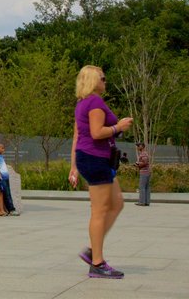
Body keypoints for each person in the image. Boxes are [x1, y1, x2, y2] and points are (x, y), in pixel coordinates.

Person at [68, 65, 133, 279]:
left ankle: (92, 251)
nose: (106, 81)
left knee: (117, 204)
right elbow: (96, 133)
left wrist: (74, 167)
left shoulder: (81, 103)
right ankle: (97, 262)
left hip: (91, 158)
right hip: (95, 158)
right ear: (93, 80)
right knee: (100, 210)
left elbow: (78, 137)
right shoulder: (94, 101)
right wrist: (119, 127)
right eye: (102, 78)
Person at [0, 143, 19, 216]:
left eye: (3, 148)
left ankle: (10, 209)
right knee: (7, 194)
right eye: (2, 148)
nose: (3, 149)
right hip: (2, 178)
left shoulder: (1, 157)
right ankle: (11, 209)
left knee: (8, 193)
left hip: (6, 177)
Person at [134, 142, 151, 206]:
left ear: (142, 146)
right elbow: (145, 162)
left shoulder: (143, 153)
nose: (138, 147)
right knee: (147, 187)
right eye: (137, 146)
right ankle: (147, 202)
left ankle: (141, 202)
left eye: (139, 146)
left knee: (142, 187)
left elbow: (145, 162)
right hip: (147, 171)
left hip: (144, 172)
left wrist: (138, 164)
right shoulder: (144, 153)